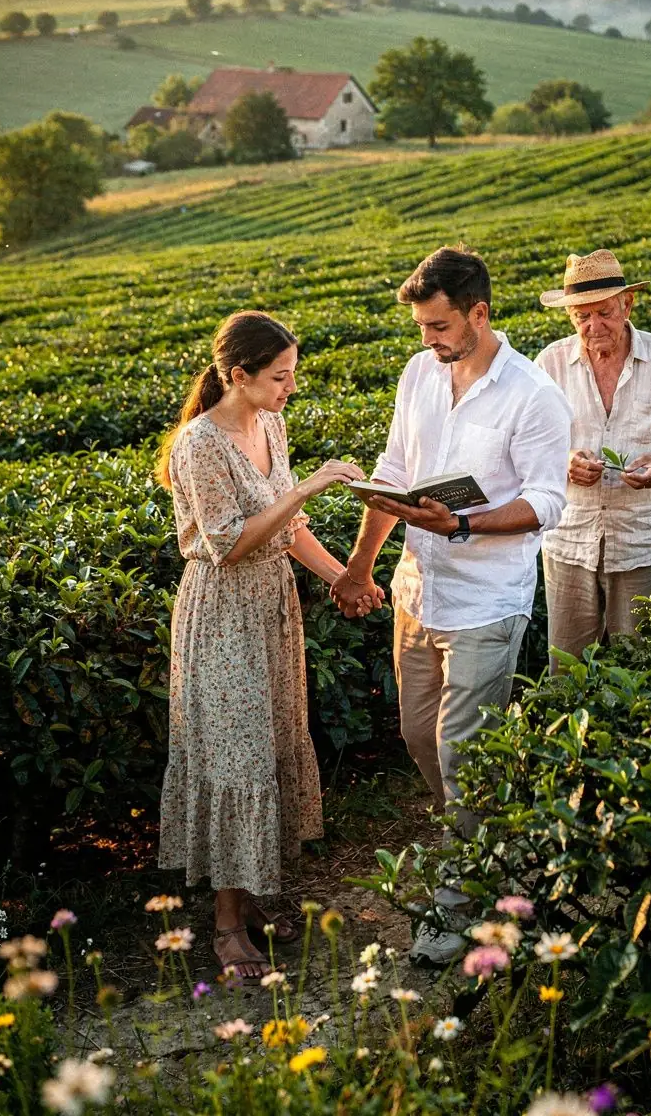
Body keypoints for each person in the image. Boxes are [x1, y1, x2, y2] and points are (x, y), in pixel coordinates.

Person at [331, 247, 572, 965]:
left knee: (462, 752)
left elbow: (547, 501)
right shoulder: (419, 374)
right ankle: (496, 845)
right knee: (418, 736)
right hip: (418, 588)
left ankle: (459, 905)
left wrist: (463, 522)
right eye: (421, 327)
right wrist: (360, 565)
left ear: (479, 314)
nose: (428, 340)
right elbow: (394, 473)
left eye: (438, 326)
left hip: (487, 600)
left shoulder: (533, 394)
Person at [155, 310, 379, 980]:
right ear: (239, 374)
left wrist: (344, 579)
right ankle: (225, 926)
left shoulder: (270, 424)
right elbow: (228, 543)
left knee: (271, 742)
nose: (290, 387)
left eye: (292, 374)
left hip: (272, 604)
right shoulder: (199, 443)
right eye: (280, 376)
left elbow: (289, 528)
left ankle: (250, 899)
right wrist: (309, 485)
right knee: (235, 755)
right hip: (223, 613)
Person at [535, 248, 651, 669]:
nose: (594, 325)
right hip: (569, 541)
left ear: (627, 304)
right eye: (582, 316)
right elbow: (526, 446)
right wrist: (564, 461)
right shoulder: (550, 364)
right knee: (567, 670)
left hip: (643, 542)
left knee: (641, 666)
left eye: (604, 313)